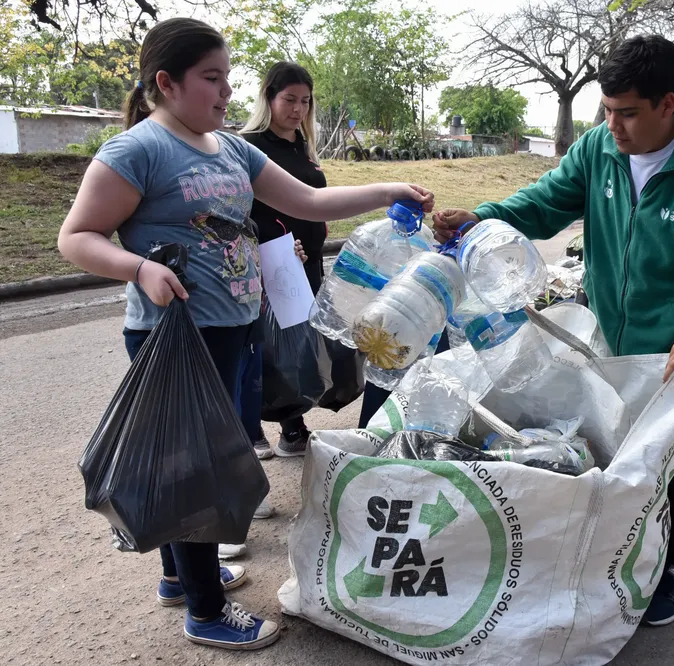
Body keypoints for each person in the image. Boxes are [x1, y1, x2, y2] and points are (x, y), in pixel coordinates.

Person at [56, 18, 433, 651]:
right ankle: (204, 611)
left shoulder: (230, 149)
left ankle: (179, 576)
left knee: (194, 458)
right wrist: (140, 268)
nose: (226, 92)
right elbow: (77, 238)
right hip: (174, 335)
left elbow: (311, 203)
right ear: (166, 83)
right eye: (212, 79)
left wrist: (390, 189)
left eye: (228, 78)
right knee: (194, 470)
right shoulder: (137, 151)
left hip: (231, 329)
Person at [432, 35, 674, 627]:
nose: (613, 126)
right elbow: (545, 203)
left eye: (628, 113)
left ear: (668, 103)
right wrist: (484, 216)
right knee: (616, 454)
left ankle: (673, 566)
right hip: (610, 345)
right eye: (607, 110)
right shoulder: (599, 150)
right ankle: (619, 554)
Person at [240, 61, 329, 458]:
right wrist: (271, 245)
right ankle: (251, 427)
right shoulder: (249, 147)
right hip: (267, 263)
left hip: (305, 265)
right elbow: (239, 211)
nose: (297, 109)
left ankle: (293, 426)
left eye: (305, 101)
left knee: (296, 345)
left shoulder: (302, 147)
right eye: (289, 99)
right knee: (260, 345)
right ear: (269, 99)